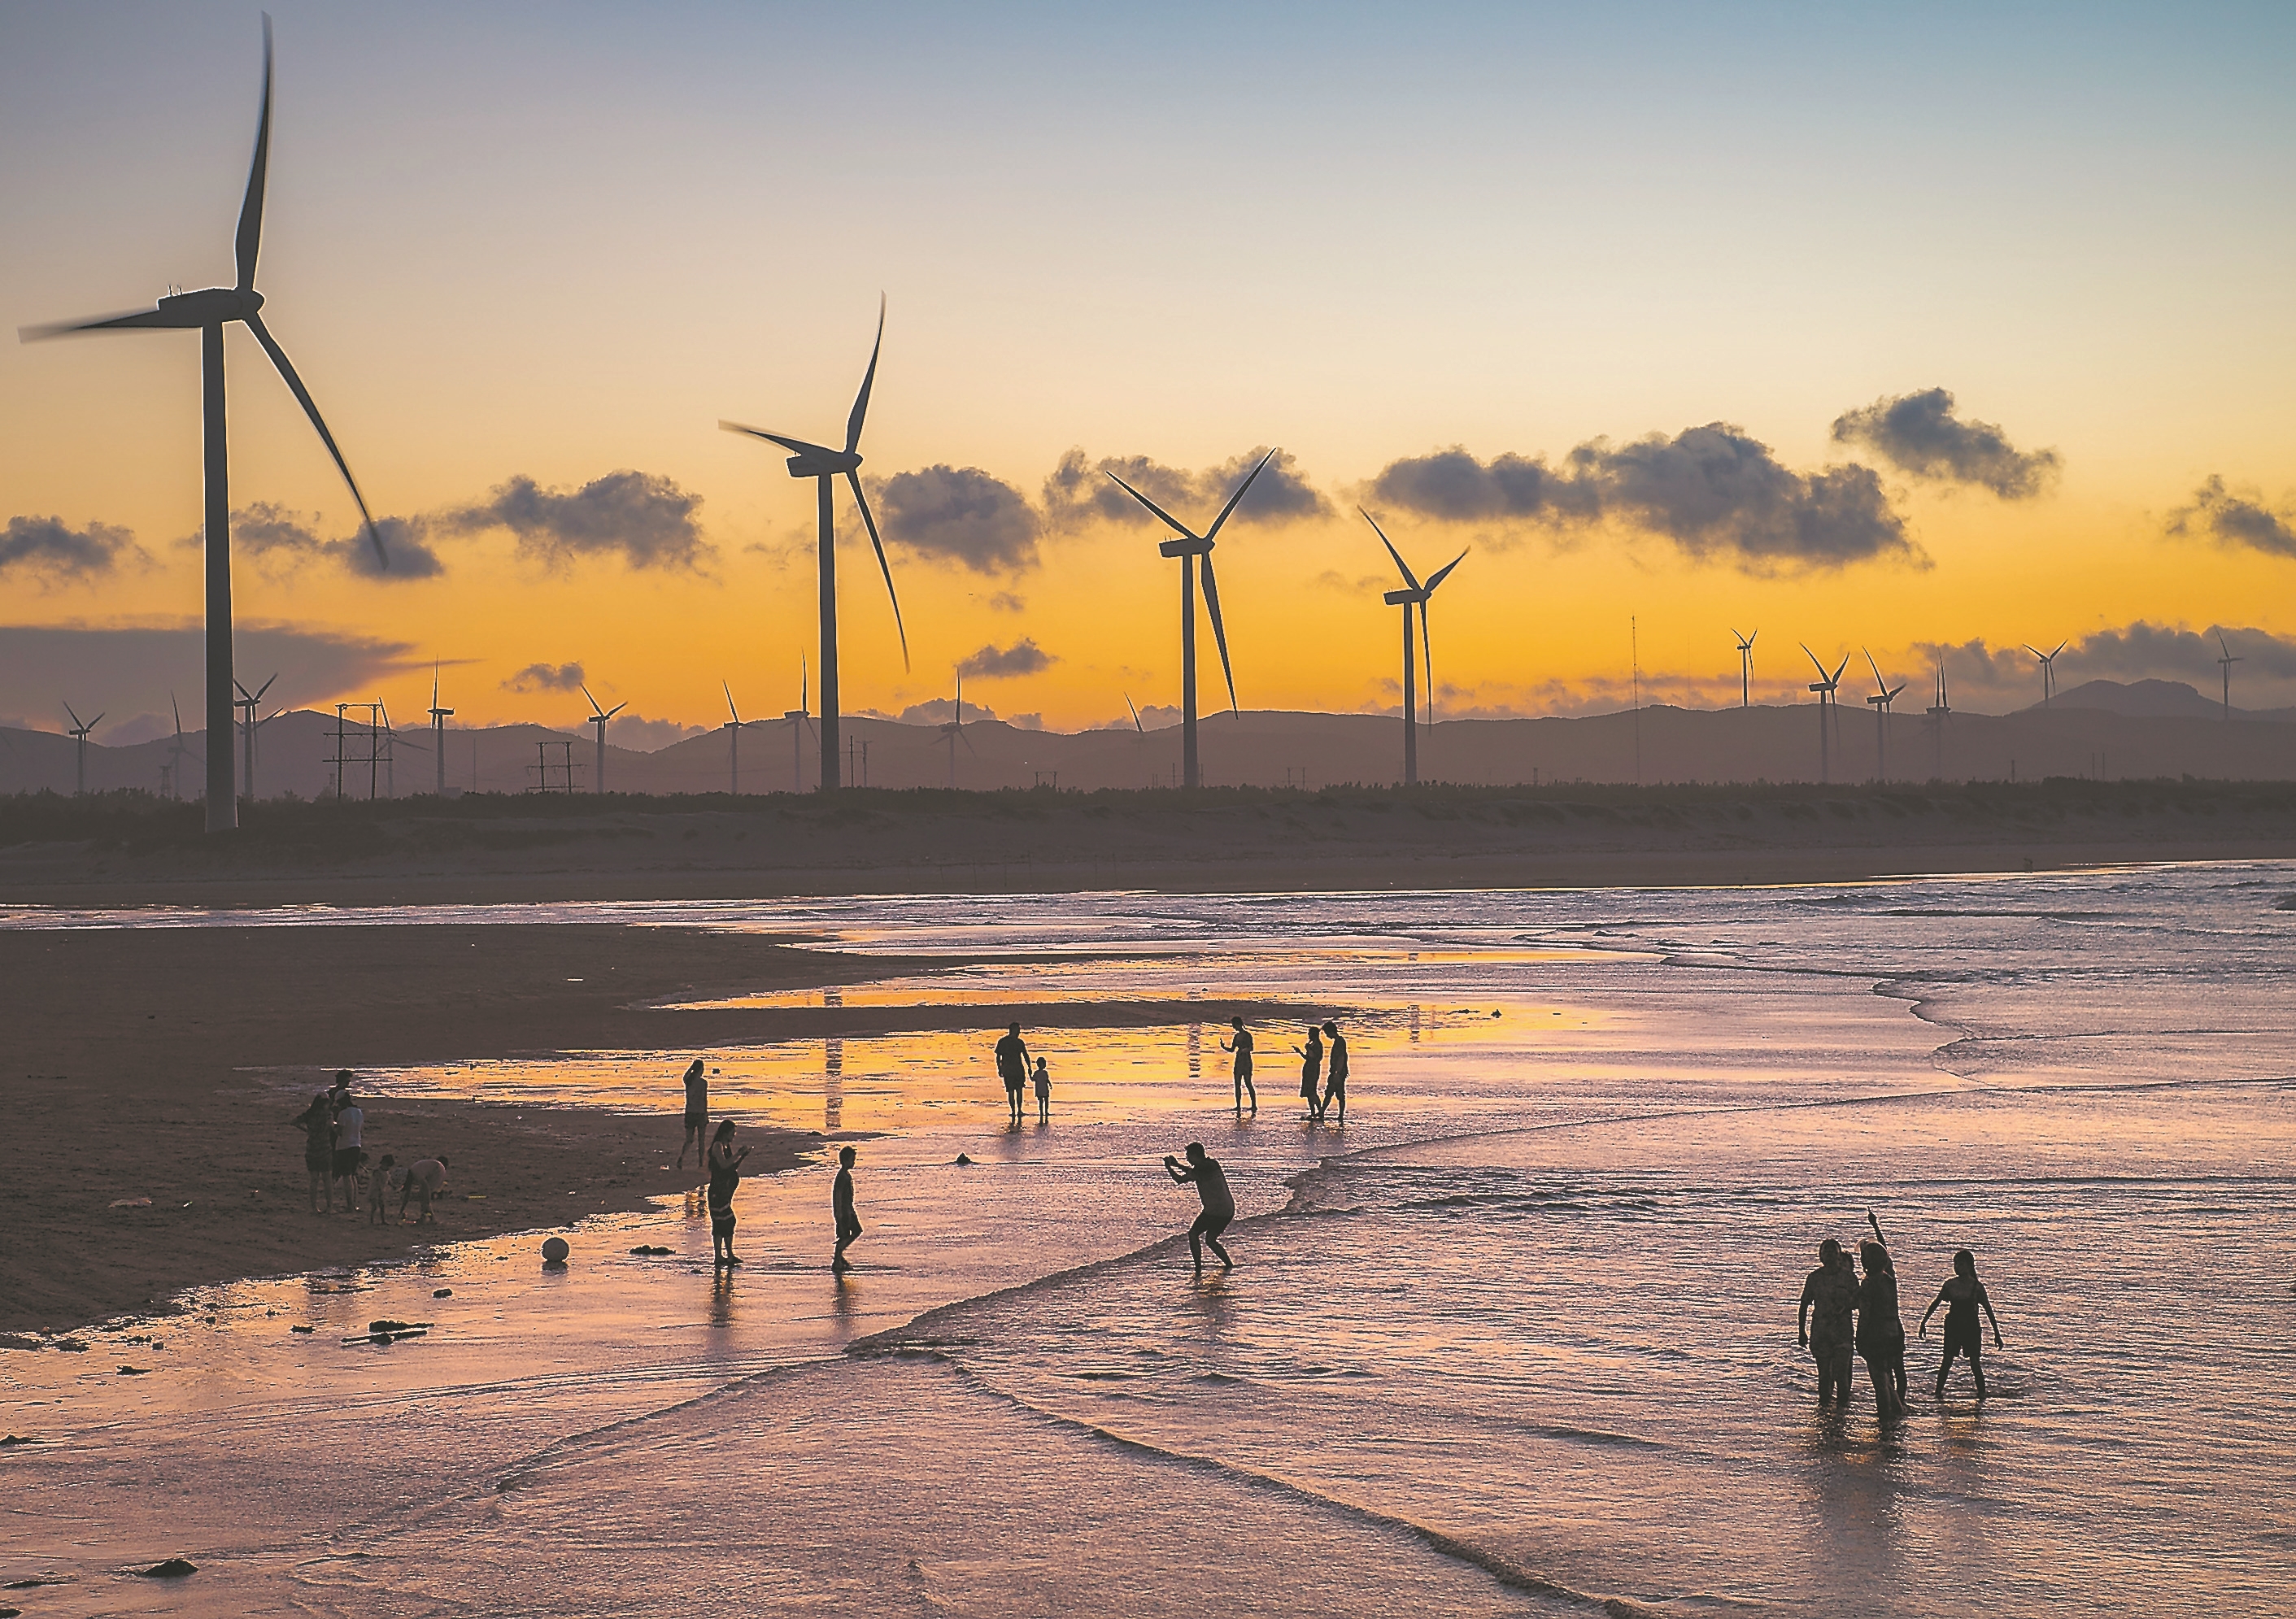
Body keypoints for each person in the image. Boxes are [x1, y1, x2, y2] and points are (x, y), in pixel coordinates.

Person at [1921, 1248, 2003, 1400]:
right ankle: (1937, 1394)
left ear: (1969, 1265)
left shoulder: (1977, 1287)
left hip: (1971, 1328)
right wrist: (1924, 1322)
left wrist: (1997, 1334)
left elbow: (1989, 1311)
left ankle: (1982, 1395)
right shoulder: (1950, 1285)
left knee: (1975, 1363)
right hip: (1953, 1327)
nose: (1957, 1267)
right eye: (1955, 1264)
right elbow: (1936, 1303)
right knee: (1947, 1361)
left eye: (1960, 1264)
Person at [1857, 1212, 1909, 1419]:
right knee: (1890, 1377)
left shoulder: (1868, 1285)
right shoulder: (1890, 1279)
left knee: (1880, 1381)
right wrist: (1876, 1226)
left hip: (1876, 1336)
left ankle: (1885, 1422)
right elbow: (1885, 1253)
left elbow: (1866, 1315)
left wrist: (1859, 1339)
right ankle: (1898, 1413)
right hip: (1894, 1332)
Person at [1797, 1238, 1859, 1407]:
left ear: (1839, 1255)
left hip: (1843, 1331)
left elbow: (1860, 1303)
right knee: (1824, 1375)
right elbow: (1804, 1304)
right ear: (1821, 1256)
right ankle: (1824, 1413)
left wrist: (1845, 1305)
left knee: (1841, 1375)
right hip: (1821, 1331)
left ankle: (1842, 1414)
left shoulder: (1849, 1278)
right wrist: (1801, 1332)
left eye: (1834, 1251)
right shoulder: (1814, 1278)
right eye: (1826, 1251)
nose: (1830, 1254)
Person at [1162, 1142, 1235, 1277]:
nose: (1187, 1159)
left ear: (1195, 1156)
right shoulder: (1213, 1164)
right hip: (1228, 1209)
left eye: (1188, 1156)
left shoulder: (1200, 1170)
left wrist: (1169, 1167)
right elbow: (1193, 1172)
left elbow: (1179, 1179)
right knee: (1210, 1239)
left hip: (1215, 1211)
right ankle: (1229, 1264)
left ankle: (1198, 1269)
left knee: (1193, 1234)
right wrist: (1177, 1165)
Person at [707, 1121, 750, 1267]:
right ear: (725, 1132)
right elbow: (724, 1164)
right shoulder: (717, 1146)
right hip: (717, 1191)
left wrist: (742, 1156)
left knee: (725, 1221)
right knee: (723, 1221)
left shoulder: (726, 1147)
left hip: (724, 1190)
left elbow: (731, 1167)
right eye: (732, 1133)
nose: (734, 1136)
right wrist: (738, 1154)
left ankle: (727, 1255)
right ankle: (720, 1256)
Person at [289, 1090, 335, 1214]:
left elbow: (294, 1122)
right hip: (325, 1148)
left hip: (312, 1148)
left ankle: (314, 1207)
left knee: (314, 1180)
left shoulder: (309, 1114)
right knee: (327, 1180)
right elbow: (331, 1126)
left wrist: (307, 1131)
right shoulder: (328, 1114)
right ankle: (329, 1207)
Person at [331, 1090, 367, 1213]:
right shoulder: (358, 1112)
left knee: (346, 1176)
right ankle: (354, 1203)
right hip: (356, 1144)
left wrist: (332, 1126)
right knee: (352, 1175)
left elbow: (340, 1131)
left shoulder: (343, 1114)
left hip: (344, 1146)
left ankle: (350, 1205)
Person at [832, 1145, 863, 1272]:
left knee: (856, 1231)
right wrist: (838, 1213)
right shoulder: (842, 1177)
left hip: (849, 1210)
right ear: (845, 1161)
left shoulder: (846, 1176)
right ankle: (838, 1257)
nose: (853, 1163)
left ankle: (839, 1256)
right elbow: (838, 1195)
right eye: (852, 1160)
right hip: (844, 1212)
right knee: (845, 1235)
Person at [675, 1060, 709, 1170]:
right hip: (700, 1113)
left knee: (689, 1139)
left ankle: (682, 1156)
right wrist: (706, 1113)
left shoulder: (688, 1081)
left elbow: (685, 1075)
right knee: (701, 1140)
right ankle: (700, 1162)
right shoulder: (703, 1083)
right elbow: (704, 1099)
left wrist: (692, 1067)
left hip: (690, 1112)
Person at [995, 1023, 1031, 1125]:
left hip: (1009, 1069)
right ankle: (1018, 1110)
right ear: (1014, 1030)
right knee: (1018, 1090)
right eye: (1018, 1030)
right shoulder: (1018, 1042)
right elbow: (1025, 1056)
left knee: (1011, 1091)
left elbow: (998, 1057)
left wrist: (1000, 1069)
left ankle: (1014, 1111)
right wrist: (1029, 1067)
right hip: (1016, 1069)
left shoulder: (1003, 1042)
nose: (1019, 1032)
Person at [1219, 1017, 1257, 1114]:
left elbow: (1251, 1048)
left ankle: (1254, 1105)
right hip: (1238, 1060)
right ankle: (1238, 1106)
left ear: (1238, 1024)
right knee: (1237, 1084)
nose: (1233, 1027)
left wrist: (1245, 1050)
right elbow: (1232, 1049)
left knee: (1248, 1083)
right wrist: (1224, 1047)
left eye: (1234, 1025)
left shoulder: (1247, 1035)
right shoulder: (1236, 1036)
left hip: (1246, 1061)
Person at [398, 1155, 450, 1224]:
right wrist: (401, 1211)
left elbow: (426, 1188)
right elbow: (407, 1195)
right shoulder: (412, 1173)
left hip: (438, 1170)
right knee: (423, 1198)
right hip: (435, 1170)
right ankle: (425, 1217)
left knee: (424, 1199)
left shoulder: (417, 1175)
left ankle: (431, 1218)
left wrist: (427, 1199)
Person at [1293, 1025, 1324, 1120]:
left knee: (1312, 1091)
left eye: (1310, 1034)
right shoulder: (1312, 1044)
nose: (1308, 1035)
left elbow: (1315, 1058)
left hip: (1313, 1069)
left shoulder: (1318, 1045)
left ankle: (1320, 1112)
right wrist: (1300, 1052)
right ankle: (1313, 1112)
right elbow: (1307, 1058)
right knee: (1308, 1092)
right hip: (1309, 1067)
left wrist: (1308, 1049)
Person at [1320, 1021, 1348, 1124]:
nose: (1326, 1036)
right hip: (1339, 1072)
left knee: (1336, 1094)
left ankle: (1338, 1115)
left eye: (1327, 1033)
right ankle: (1325, 1113)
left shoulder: (1340, 1042)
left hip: (1338, 1073)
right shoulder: (1339, 1041)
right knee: (1331, 1093)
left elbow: (1341, 1058)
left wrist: (1337, 1073)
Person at [367, 1155, 398, 1225]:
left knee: (382, 1206)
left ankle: (383, 1220)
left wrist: (393, 1186)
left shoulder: (385, 1171)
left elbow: (388, 1180)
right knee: (374, 1206)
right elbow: (377, 1182)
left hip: (381, 1191)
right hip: (374, 1191)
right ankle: (372, 1221)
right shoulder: (377, 1172)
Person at [1032, 1056, 1052, 1124]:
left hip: (1042, 1089)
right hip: (1042, 1089)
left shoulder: (1040, 1073)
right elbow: (1033, 1079)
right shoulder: (1040, 1073)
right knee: (1042, 1101)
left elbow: (1047, 1080)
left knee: (1045, 1101)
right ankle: (1043, 1112)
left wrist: (1050, 1085)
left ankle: (1045, 1112)